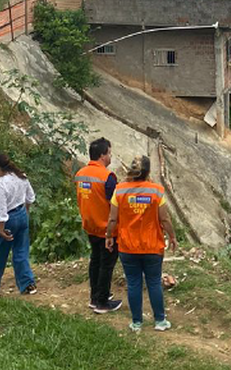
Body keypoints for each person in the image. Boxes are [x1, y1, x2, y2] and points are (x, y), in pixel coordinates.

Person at [106, 156, 178, 332]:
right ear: (148, 172)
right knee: (154, 282)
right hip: (152, 246)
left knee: (133, 283)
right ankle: (160, 321)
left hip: (127, 246)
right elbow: (165, 219)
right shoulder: (156, 191)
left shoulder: (120, 191)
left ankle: (137, 323)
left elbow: (113, 218)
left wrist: (108, 236)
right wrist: (173, 237)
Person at [0, 154, 37, 296]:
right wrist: (26, 213)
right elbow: (30, 197)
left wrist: (1, 228)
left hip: (9, 219)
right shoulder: (21, 176)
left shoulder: (0, 185)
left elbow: (1, 210)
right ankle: (28, 284)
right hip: (22, 214)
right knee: (21, 252)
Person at [74, 138, 122, 314]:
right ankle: (102, 302)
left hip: (90, 225)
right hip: (106, 228)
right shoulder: (107, 177)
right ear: (102, 155)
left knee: (95, 260)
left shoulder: (80, 174)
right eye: (109, 153)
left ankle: (95, 297)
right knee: (106, 264)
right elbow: (114, 205)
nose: (110, 156)